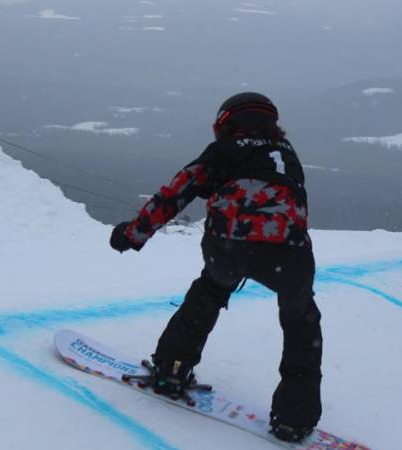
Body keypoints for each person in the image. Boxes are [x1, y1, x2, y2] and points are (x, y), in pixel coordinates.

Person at [110, 92, 322, 443]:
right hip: (289, 253)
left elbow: (177, 192)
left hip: (227, 245)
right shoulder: (287, 155)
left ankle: (171, 370)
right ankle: (294, 419)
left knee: (210, 290)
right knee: (301, 320)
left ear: (225, 123)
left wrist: (133, 235)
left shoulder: (224, 150)